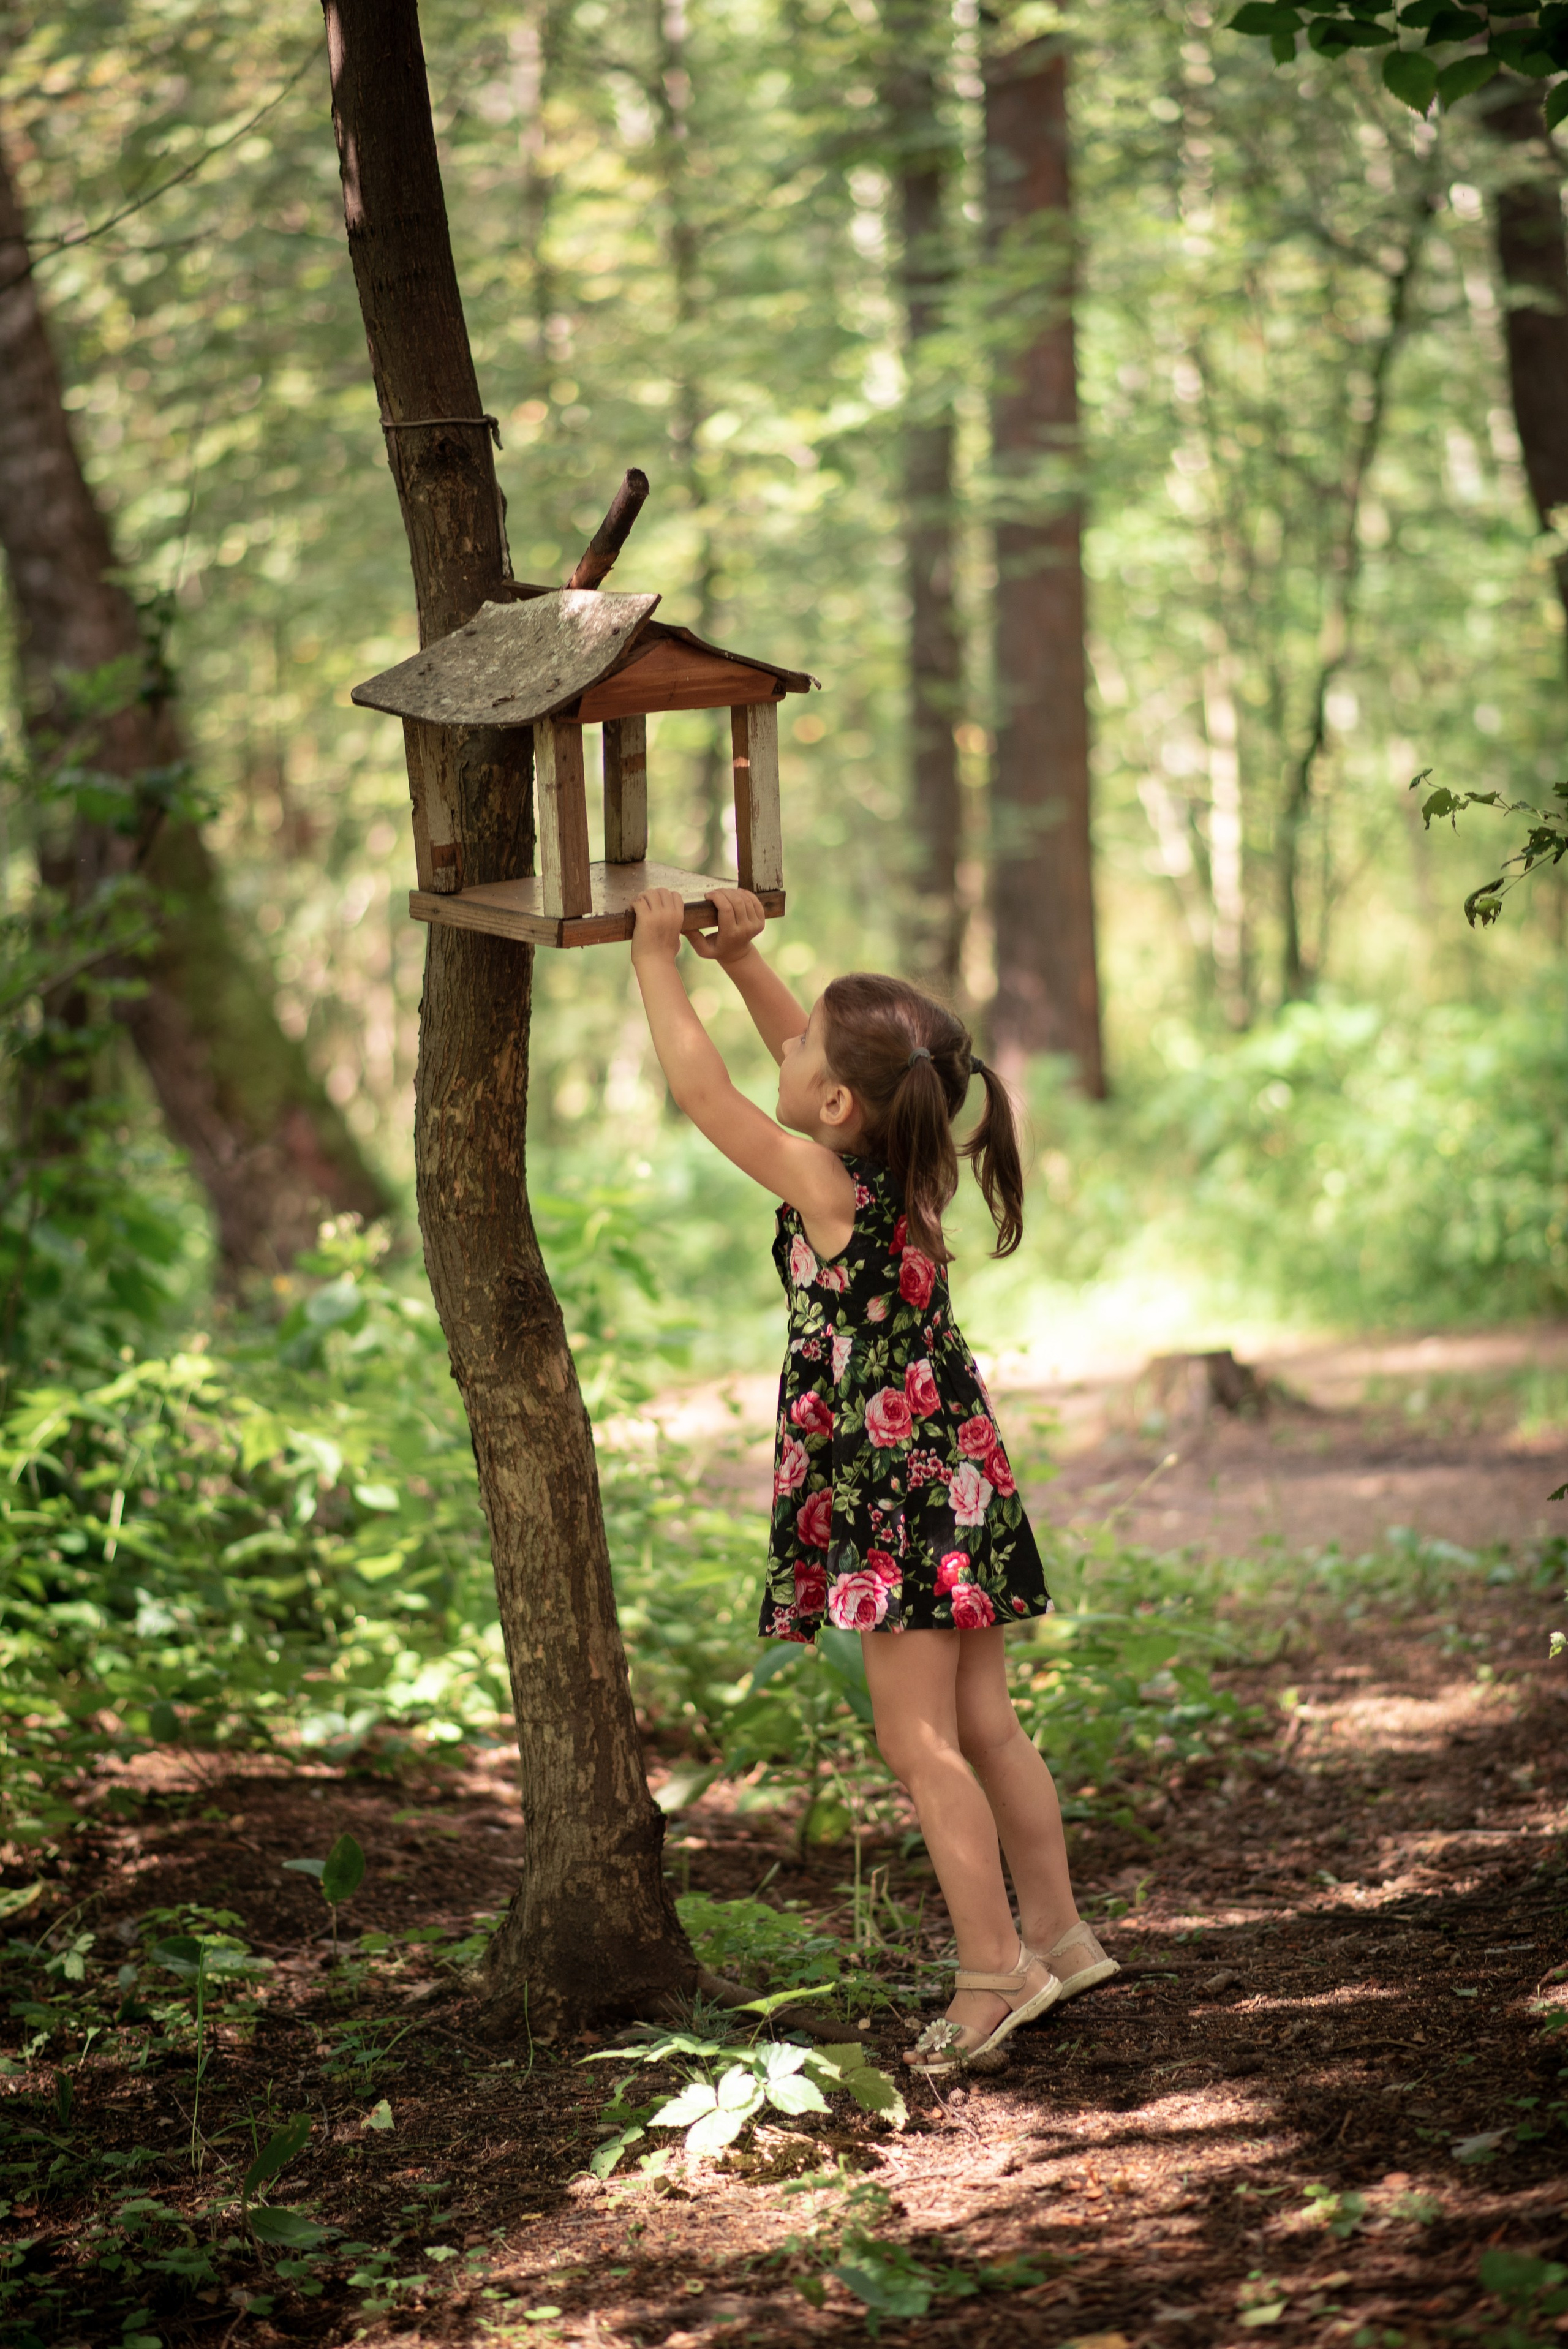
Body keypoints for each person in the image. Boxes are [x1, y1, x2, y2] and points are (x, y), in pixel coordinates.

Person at [628, 886, 1116, 2075]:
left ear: (837, 1103)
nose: (784, 1043)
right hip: (954, 1477)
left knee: (920, 1745)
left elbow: (707, 1097)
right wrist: (744, 958)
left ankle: (992, 1972)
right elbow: (811, 1060)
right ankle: (1056, 1933)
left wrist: (656, 959)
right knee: (986, 1724)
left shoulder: (826, 1186)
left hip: (889, 1501)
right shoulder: (899, 1157)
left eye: (798, 1049)